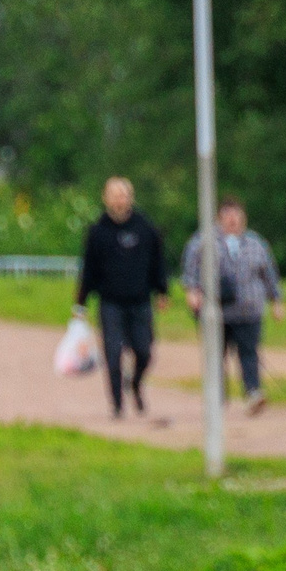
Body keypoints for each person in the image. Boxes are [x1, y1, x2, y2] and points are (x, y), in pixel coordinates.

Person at [74, 177, 169, 420]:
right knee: (113, 356)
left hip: (140, 302)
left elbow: (158, 262)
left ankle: (135, 383)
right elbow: (88, 270)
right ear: (106, 198)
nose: (119, 199)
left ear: (131, 197)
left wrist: (162, 291)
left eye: (124, 194)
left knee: (144, 351)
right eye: (114, 194)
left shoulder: (145, 228)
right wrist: (81, 303)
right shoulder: (98, 232)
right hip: (111, 303)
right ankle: (117, 405)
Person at [181, 197, 286, 416]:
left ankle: (253, 393)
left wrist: (276, 300)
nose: (232, 220)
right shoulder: (203, 241)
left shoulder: (256, 243)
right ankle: (216, 398)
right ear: (220, 218)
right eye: (228, 215)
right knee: (216, 356)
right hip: (216, 312)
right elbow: (190, 271)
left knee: (249, 353)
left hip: (249, 311)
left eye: (236, 215)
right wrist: (192, 292)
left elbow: (269, 275)